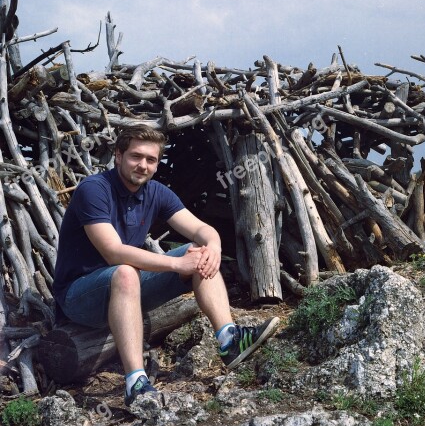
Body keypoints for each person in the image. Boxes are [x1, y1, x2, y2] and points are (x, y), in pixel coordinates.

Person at [52, 124, 279, 406]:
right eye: (136, 156)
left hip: (126, 288)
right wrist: (176, 265)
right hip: (79, 297)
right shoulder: (94, 189)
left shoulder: (156, 192)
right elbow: (113, 252)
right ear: (118, 156)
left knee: (198, 252)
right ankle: (135, 381)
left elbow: (201, 229)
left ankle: (229, 341)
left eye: (151, 160)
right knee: (125, 271)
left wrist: (214, 247)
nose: (143, 165)